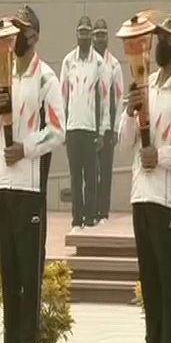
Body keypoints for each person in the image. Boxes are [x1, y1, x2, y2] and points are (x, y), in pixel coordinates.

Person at [0, 5, 66, 343]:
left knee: (29, 271)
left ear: (33, 35)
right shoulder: (0, 75)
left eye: (20, 31)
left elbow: (58, 131)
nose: (14, 38)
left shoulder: (46, 78)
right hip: (3, 181)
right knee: (9, 268)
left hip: (29, 184)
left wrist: (27, 147)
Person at [119, 14, 171, 343]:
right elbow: (125, 144)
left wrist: (166, 156)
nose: (159, 44)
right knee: (151, 284)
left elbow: (160, 150)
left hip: (169, 199)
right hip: (142, 194)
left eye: (166, 37)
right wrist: (128, 109)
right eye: (158, 38)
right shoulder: (146, 84)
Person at [60, 16, 110, 233]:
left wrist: (102, 131)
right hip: (72, 127)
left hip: (90, 128)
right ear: (76, 34)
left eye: (87, 32)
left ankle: (90, 219)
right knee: (75, 175)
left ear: (91, 35)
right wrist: (62, 128)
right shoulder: (68, 61)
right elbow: (62, 97)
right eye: (81, 32)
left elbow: (105, 99)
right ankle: (76, 220)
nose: (84, 36)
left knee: (91, 176)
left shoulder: (99, 63)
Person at [92, 18, 125, 224]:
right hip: (90, 125)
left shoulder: (114, 66)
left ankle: (103, 212)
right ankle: (91, 210)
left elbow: (118, 98)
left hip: (107, 127)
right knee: (90, 171)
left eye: (103, 34)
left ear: (107, 37)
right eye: (97, 35)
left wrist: (114, 130)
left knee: (105, 171)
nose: (99, 38)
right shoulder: (85, 63)